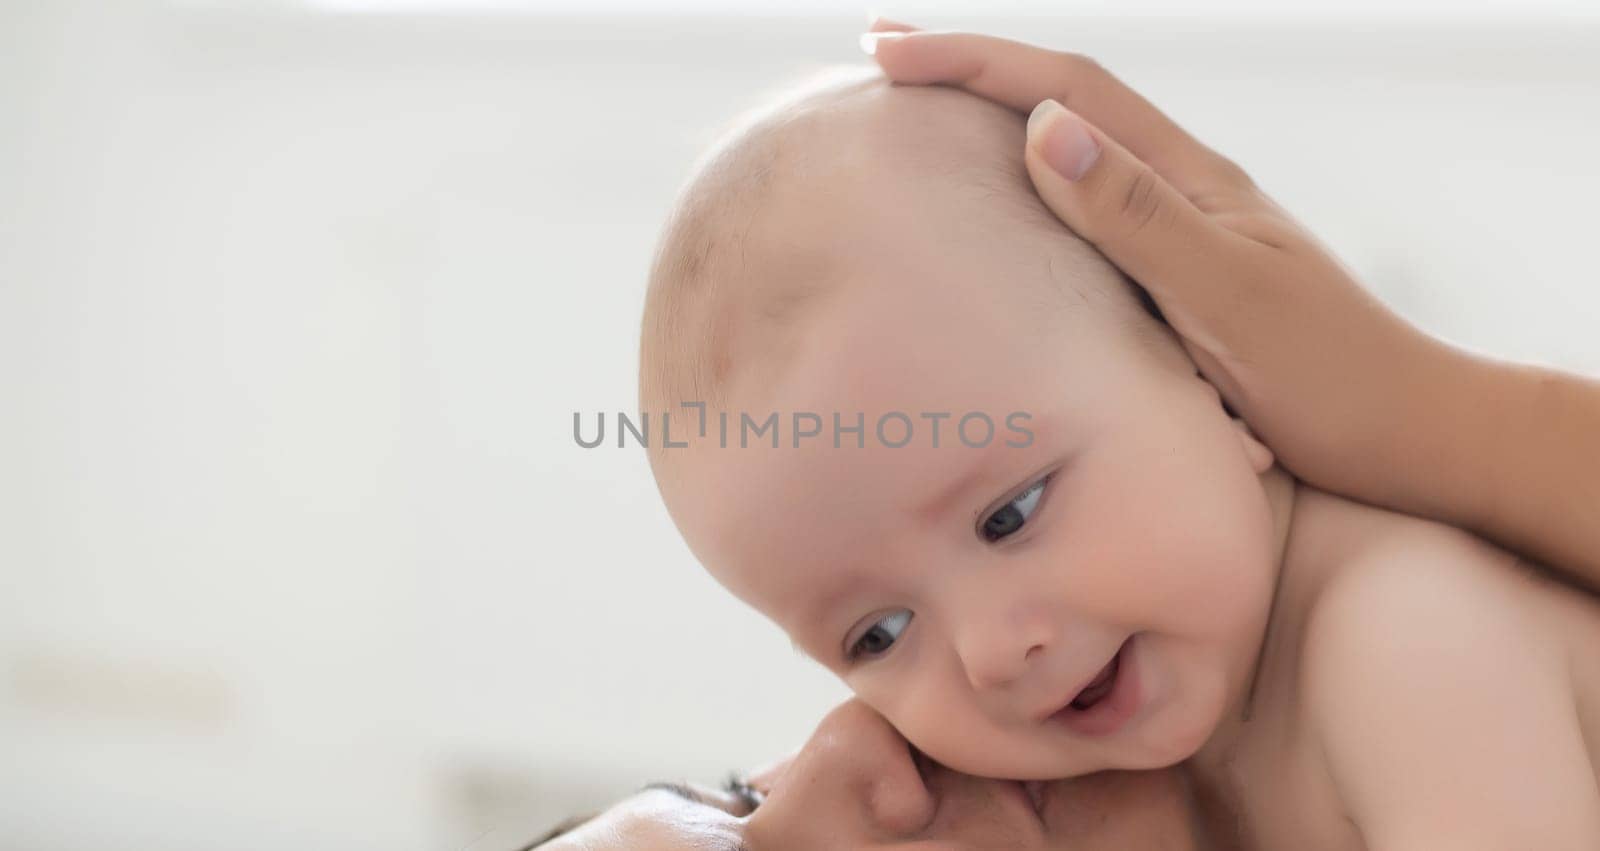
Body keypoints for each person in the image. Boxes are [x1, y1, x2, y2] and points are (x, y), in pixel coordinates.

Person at [536, 25, 1600, 851]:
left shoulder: (1402, 637)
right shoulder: (1181, 713)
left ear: (1211, 374)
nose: (994, 652)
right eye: (880, 632)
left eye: (1011, 513)